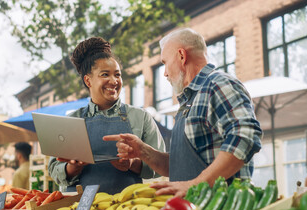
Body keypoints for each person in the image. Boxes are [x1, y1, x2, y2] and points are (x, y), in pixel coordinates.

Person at [104, 28, 262, 197]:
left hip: (223, 209)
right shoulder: (188, 102)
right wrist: (143, 151)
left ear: (181, 56)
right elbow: (180, 166)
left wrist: (195, 185)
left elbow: (245, 136)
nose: (164, 73)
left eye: (164, 63)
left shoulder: (218, 84)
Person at [48, 37, 165, 194]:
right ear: (88, 81)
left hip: (127, 206)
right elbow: (54, 170)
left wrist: (132, 163)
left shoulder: (140, 117)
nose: (114, 81)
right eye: (105, 75)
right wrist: (73, 167)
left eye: (117, 74)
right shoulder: (70, 121)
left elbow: (161, 165)